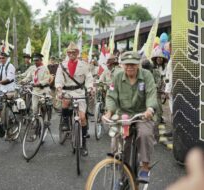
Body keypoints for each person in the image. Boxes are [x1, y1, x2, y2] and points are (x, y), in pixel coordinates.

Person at [104, 51, 157, 183]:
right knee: (118, 138)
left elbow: (151, 93)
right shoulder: (117, 76)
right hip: (123, 114)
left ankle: (145, 166)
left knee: (144, 134)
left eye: (133, 64)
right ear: (122, 65)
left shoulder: (147, 75)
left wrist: (150, 109)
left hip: (142, 114)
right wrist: (109, 112)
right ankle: (121, 170)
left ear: (138, 65)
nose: (130, 67)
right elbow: (111, 96)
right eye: (127, 64)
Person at [55, 42, 94, 156]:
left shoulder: (84, 65)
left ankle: (84, 143)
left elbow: (89, 78)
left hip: (79, 91)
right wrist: (59, 88)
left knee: (82, 117)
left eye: (74, 52)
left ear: (77, 53)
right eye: (69, 52)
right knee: (65, 101)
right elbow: (59, 78)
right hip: (66, 91)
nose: (71, 54)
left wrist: (90, 88)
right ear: (67, 53)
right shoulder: (62, 65)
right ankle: (66, 121)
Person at [151, 47, 168, 124]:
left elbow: (166, 78)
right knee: (158, 106)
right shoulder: (152, 68)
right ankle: (157, 120)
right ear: (155, 59)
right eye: (158, 58)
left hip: (162, 89)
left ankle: (159, 118)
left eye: (161, 58)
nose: (159, 59)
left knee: (160, 105)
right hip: (155, 90)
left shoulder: (165, 67)